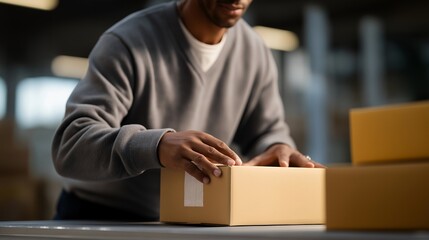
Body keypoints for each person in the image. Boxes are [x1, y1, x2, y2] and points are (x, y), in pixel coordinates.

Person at [51, 0, 325, 221]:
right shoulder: (127, 41)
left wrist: (279, 148)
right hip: (98, 217)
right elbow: (71, 145)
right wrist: (156, 145)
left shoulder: (255, 53)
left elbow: (267, 133)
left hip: (188, 220)